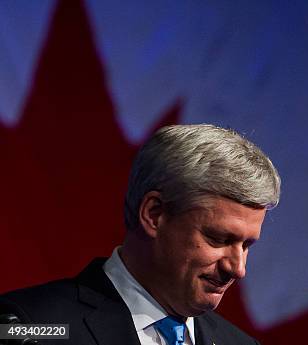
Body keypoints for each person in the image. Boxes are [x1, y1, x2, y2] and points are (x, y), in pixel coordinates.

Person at [0, 124, 281, 345]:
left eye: (246, 245)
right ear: (154, 215)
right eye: (219, 239)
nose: (237, 268)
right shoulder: (28, 327)